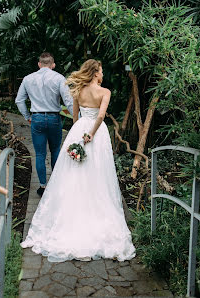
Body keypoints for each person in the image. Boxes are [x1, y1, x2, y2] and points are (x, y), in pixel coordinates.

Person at [21, 59, 136, 262]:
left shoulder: (78, 91)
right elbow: (101, 117)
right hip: (96, 134)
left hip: (78, 130)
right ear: (95, 73)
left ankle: (70, 215)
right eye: (101, 71)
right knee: (98, 174)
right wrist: (90, 134)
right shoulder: (105, 92)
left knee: (73, 175)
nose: (103, 74)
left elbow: (74, 117)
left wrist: (78, 134)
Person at [15, 52, 73, 197]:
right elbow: (68, 101)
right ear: (53, 65)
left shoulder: (28, 79)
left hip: (37, 118)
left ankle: (42, 186)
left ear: (39, 64)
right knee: (55, 151)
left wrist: (27, 116)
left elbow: (19, 100)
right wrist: (77, 118)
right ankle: (56, 184)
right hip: (54, 118)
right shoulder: (59, 78)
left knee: (40, 154)